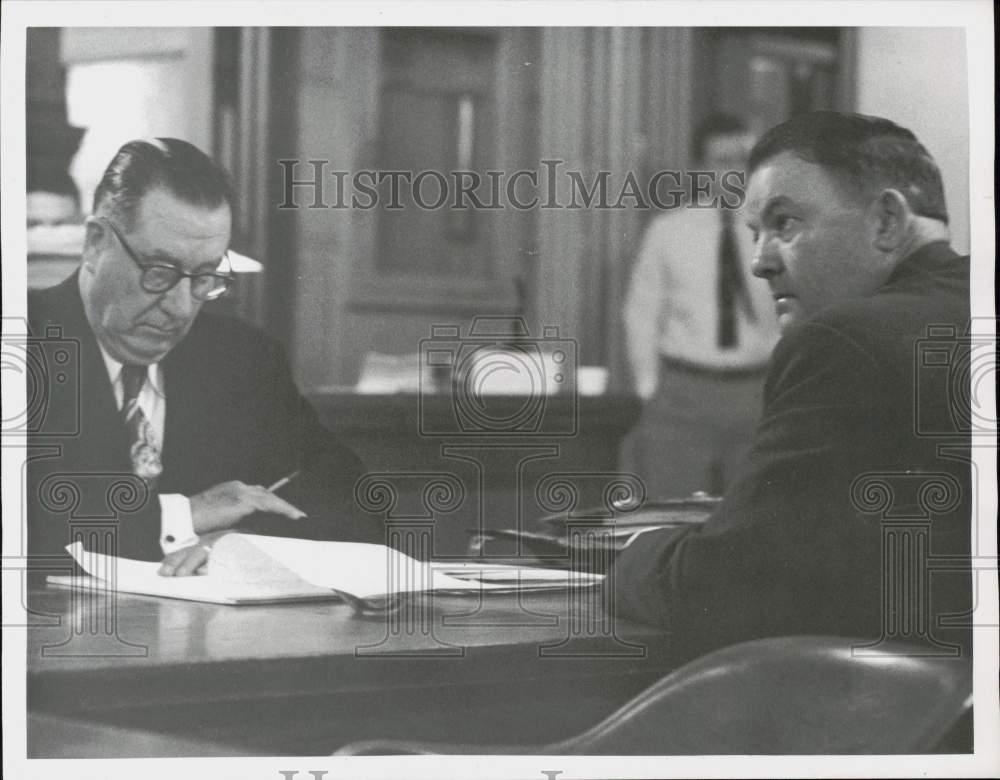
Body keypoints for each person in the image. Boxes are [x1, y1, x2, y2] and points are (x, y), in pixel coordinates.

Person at [614, 112, 971, 662]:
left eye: (787, 225)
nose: (760, 262)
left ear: (887, 222)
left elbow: (724, 588)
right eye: (756, 233)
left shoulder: (842, 340)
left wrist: (635, 555)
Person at [27, 138, 377, 577]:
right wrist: (182, 518)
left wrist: (243, 546)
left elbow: (359, 504)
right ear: (96, 243)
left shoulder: (241, 360)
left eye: (205, 277)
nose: (180, 306)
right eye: (159, 272)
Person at [622, 114, 780, 498]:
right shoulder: (669, 231)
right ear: (701, 169)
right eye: (721, 161)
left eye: (743, 161)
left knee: (751, 516)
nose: (733, 172)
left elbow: (793, 309)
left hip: (754, 394)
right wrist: (649, 387)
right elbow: (641, 313)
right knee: (672, 518)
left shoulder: (775, 232)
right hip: (683, 396)